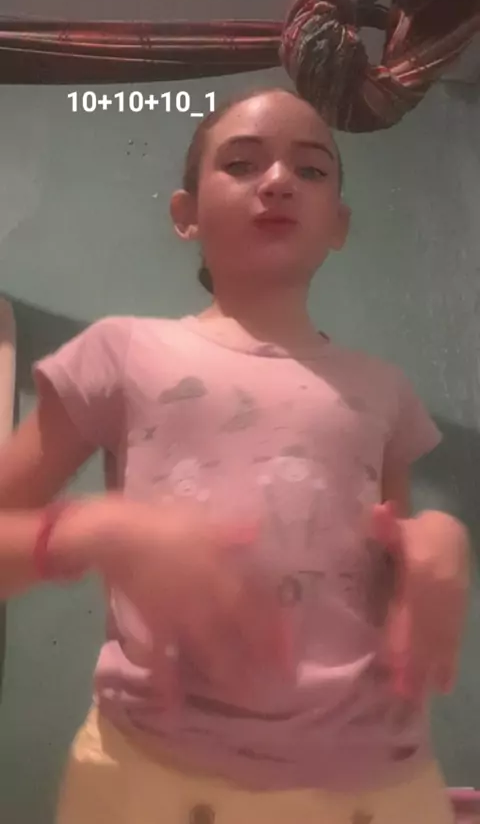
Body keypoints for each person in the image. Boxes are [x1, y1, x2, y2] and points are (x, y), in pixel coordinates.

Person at [0, 87, 469, 823]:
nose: (279, 181)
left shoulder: (387, 390)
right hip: (159, 781)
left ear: (339, 224)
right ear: (185, 213)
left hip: (379, 789)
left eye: (311, 170)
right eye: (243, 163)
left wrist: (439, 544)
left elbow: (388, 561)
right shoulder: (121, 352)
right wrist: (96, 530)